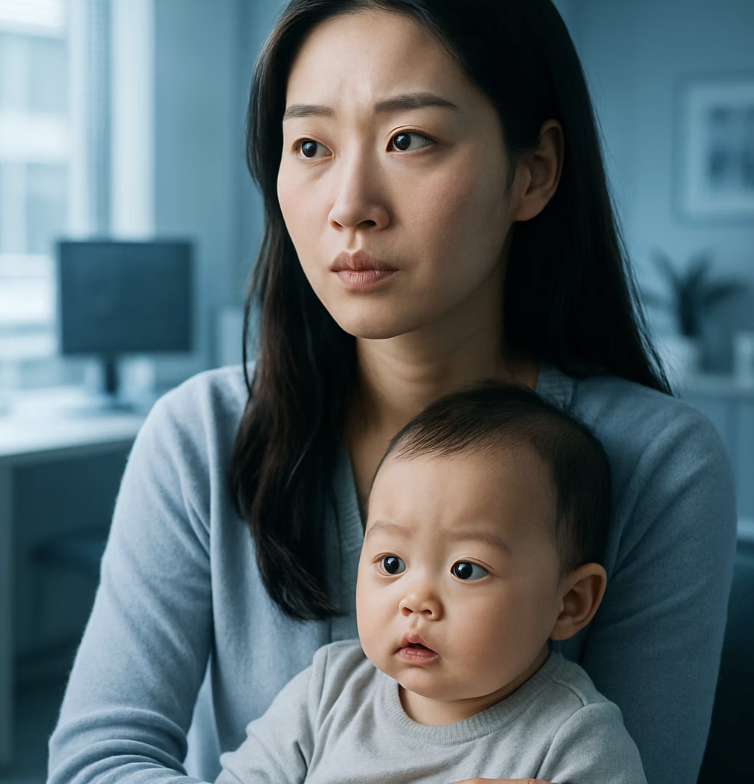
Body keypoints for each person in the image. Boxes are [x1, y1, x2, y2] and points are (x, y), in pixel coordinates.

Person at [47, 2, 737, 784]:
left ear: (534, 170)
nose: (348, 207)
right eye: (310, 145)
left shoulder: (660, 464)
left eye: (409, 139)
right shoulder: (199, 435)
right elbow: (99, 762)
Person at [215, 381, 647, 784]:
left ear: (570, 602)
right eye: (391, 562)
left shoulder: (576, 740)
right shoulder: (327, 693)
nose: (415, 600)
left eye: (466, 569)